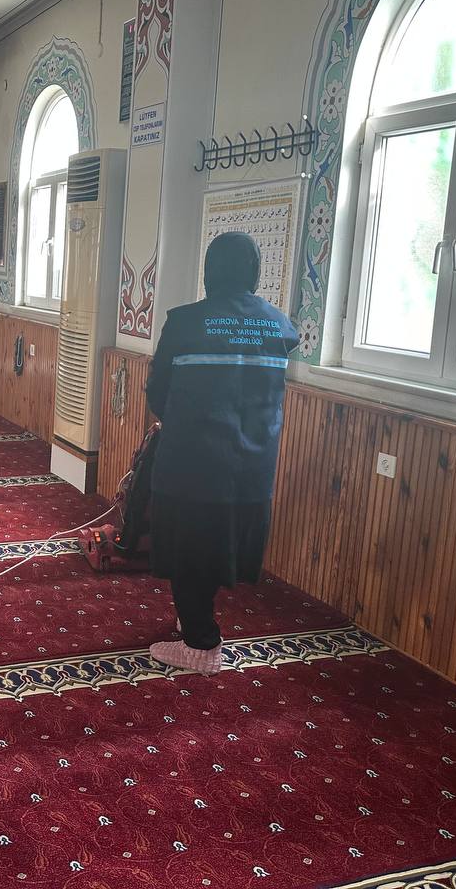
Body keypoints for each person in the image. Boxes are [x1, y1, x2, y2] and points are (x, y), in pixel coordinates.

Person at [144, 231, 299, 675]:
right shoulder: (280, 326)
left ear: (210, 269)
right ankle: (194, 619)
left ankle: (201, 645)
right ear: (255, 271)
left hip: (194, 466)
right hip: (253, 470)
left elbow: (158, 393)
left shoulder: (185, 323)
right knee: (215, 549)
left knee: (189, 552)